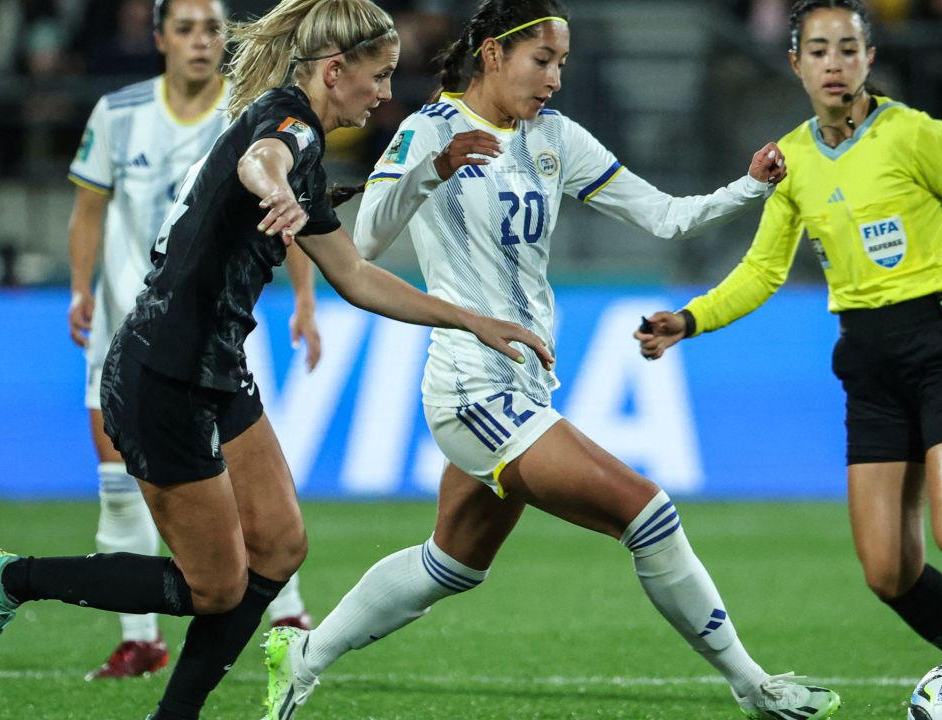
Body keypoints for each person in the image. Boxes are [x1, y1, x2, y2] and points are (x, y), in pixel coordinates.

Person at [0, 2, 552, 719]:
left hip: (213, 368)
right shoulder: (289, 128)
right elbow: (258, 159)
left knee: (281, 546)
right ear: (335, 71)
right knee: (215, 586)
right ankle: (13, 578)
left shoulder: (304, 144)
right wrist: (273, 188)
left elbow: (356, 275)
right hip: (162, 374)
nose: (385, 94)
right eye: (379, 75)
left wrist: (471, 319)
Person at [259, 3, 841, 719]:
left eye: (563, 62)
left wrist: (750, 187)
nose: (557, 78)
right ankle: (754, 687)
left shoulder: (553, 137)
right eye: (544, 61)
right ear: (495, 56)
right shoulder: (427, 131)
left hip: (526, 385)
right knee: (646, 512)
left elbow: (663, 216)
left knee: (452, 564)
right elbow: (367, 242)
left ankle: (302, 658)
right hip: (471, 387)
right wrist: (432, 172)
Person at [633, 2, 942, 719]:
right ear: (796, 64)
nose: (834, 63)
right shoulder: (793, 159)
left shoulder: (915, 134)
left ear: (870, 59)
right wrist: (688, 320)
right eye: (819, 50)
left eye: (848, 48)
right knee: (887, 569)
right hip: (868, 366)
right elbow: (762, 272)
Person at [65, 0, 316, 681]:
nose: (201, 42)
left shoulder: (245, 117)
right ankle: (140, 639)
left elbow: (287, 213)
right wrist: (80, 288)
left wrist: (303, 297)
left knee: (242, 485)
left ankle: (286, 613)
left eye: (213, 28)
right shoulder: (117, 115)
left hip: (214, 330)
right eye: (186, 28)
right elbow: (89, 209)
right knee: (119, 482)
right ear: (159, 39)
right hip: (125, 323)